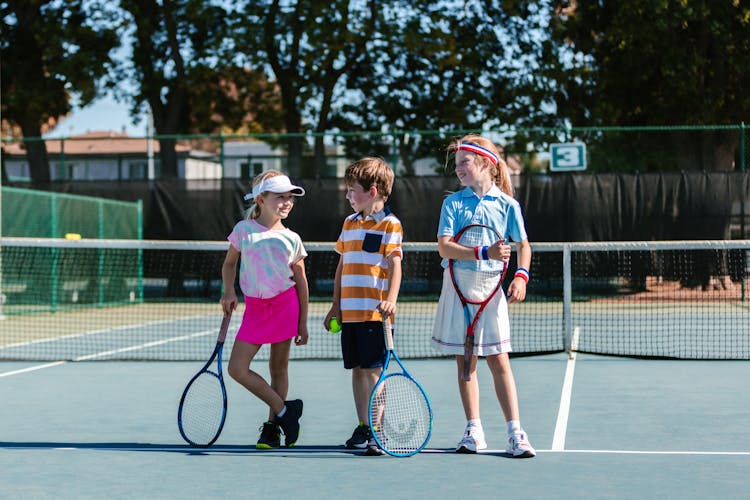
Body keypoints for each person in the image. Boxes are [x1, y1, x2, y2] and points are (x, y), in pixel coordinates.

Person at [431, 134, 536, 458]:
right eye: (457, 164)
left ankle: (515, 432)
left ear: (486, 164)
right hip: (458, 287)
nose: (459, 169)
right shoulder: (453, 203)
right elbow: (444, 246)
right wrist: (482, 251)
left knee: (499, 360)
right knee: (466, 364)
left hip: (491, 291)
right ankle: (473, 429)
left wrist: (521, 275)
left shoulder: (507, 205)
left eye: (465, 163)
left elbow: (523, 245)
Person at [220, 170, 310, 449]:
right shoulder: (243, 230)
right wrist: (229, 290)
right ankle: (285, 411)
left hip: (285, 305)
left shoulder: (292, 238)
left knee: (278, 368)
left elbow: (302, 282)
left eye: (289, 198)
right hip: (255, 309)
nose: (286, 202)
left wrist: (303, 322)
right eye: (279, 197)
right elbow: (229, 264)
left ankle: (272, 428)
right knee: (237, 368)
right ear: (260, 199)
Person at [323, 157, 403, 456]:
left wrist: (391, 299)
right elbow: (342, 267)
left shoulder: (390, 224)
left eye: (351, 190)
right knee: (358, 370)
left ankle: (378, 431)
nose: (347, 196)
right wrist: (335, 305)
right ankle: (364, 426)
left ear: (371, 191)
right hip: (350, 313)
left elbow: (395, 265)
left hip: (375, 314)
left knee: (373, 373)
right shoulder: (349, 223)